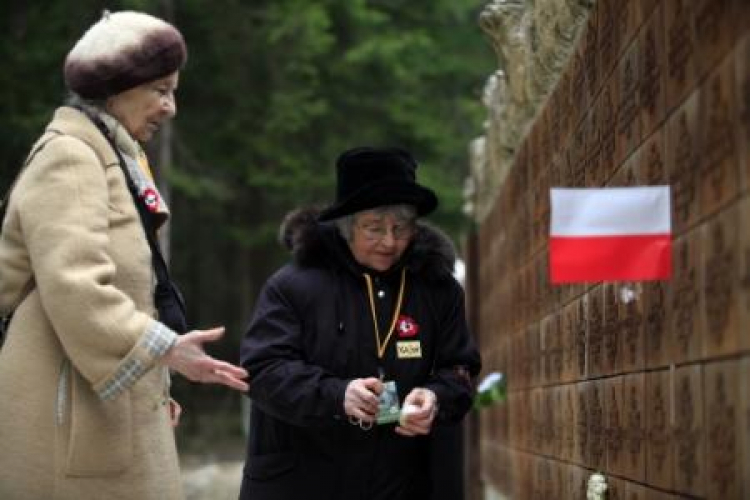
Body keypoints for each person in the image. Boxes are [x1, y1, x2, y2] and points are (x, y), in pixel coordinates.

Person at [0, 11, 248, 499]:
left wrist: (157, 380)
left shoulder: (115, 155)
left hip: (97, 406)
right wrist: (166, 349)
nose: (170, 107)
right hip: (66, 413)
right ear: (116, 88)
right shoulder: (70, 156)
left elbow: (133, 289)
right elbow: (76, 287)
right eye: (160, 89)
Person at [239, 146, 482, 500]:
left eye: (400, 228)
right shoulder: (292, 286)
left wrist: (434, 397)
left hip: (401, 484)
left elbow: (459, 370)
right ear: (346, 227)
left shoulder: (437, 288)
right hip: (301, 482)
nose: (389, 241)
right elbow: (263, 370)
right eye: (374, 228)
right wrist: (337, 395)